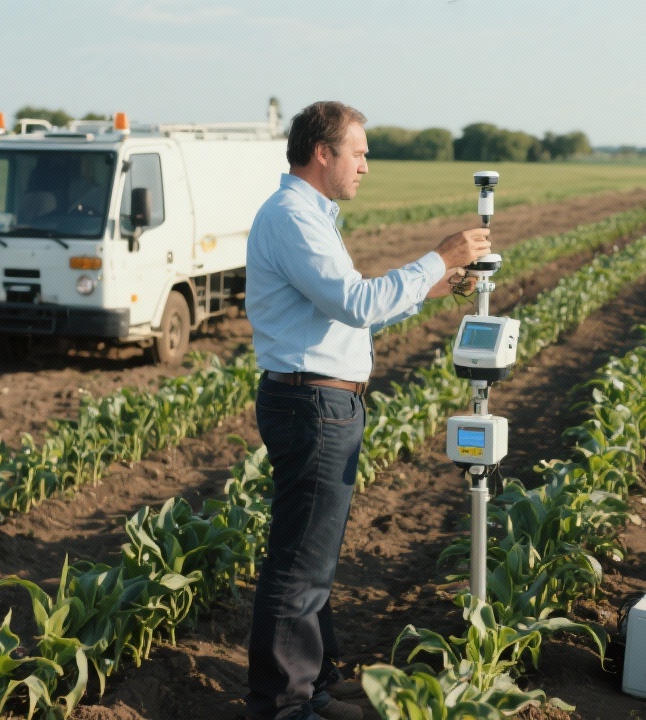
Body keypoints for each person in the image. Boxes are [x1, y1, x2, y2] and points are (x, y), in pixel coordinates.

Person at [244, 101, 491, 720]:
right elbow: (355, 302)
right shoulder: (293, 216)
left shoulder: (309, 216)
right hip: (312, 402)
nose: (366, 167)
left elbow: (346, 309)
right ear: (322, 152)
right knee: (300, 559)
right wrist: (439, 256)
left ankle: (315, 684)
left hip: (322, 400)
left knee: (313, 554)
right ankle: (285, 705)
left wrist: (439, 283)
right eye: (359, 153)